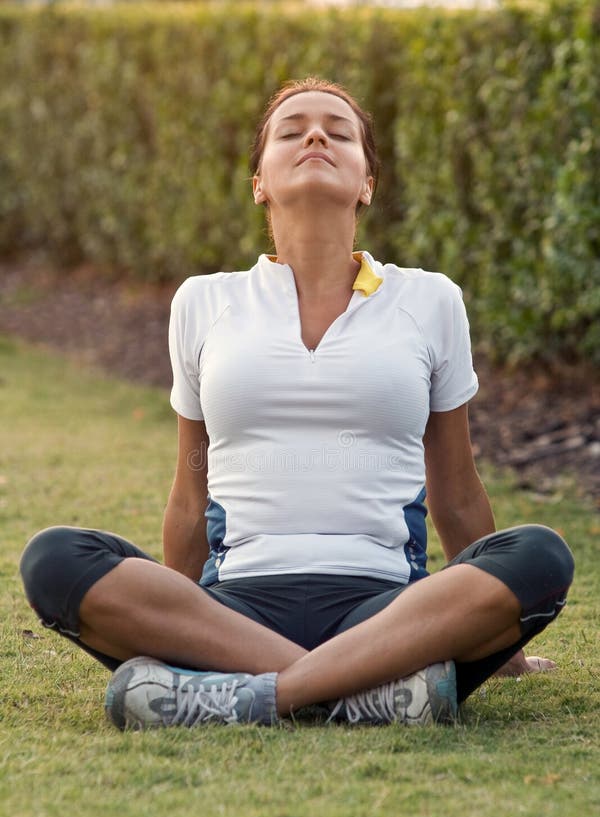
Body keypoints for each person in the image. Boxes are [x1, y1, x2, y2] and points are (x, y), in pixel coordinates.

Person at [20, 78, 574, 730]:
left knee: (539, 557)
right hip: (238, 610)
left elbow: (454, 491)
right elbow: (190, 495)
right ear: (260, 181)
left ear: (367, 181)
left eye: (339, 131)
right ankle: (370, 693)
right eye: (292, 130)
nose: (316, 136)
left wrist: (498, 629)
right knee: (54, 559)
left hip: (387, 609)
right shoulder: (203, 302)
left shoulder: (429, 301)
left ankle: (248, 696)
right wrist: (180, 615)